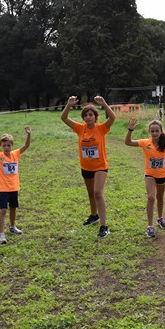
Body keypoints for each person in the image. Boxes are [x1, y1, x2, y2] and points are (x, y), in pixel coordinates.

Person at [61, 95, 116, 238]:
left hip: (100, 166)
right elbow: (64, 118)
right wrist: (69, 104)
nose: (88, 117)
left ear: (95, 117)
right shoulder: (80, 129)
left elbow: (112, 118)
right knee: (91, 193)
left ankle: (104, 226)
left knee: (98, 193)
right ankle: (94, 216)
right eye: (85, 115)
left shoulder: (101, 129)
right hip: (86, 167)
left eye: (91, 115)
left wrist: (103, 103)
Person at [125, 117, 165, 238]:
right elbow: (128, 142)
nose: (154, 133)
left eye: (156, 131)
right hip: (149, 174)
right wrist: (130, 130)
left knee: (160, 197)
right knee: (151, 198)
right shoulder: (145, 143)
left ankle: (160, 218)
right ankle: (150, 226)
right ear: (149, 132)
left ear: (161, 131)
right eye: (152, 131)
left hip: (162, 174)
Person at [0, 125, 31, 244]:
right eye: (4, 145)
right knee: (3, 210)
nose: (6, 147)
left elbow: (26, 146)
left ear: (12, 146)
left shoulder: (16, 154)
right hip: (3, 188)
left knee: (13, 208)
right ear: (1, 146)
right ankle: (1, 234)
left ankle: (12, 227)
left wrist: (28, 134)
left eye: (8, 145)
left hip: (14, 187)